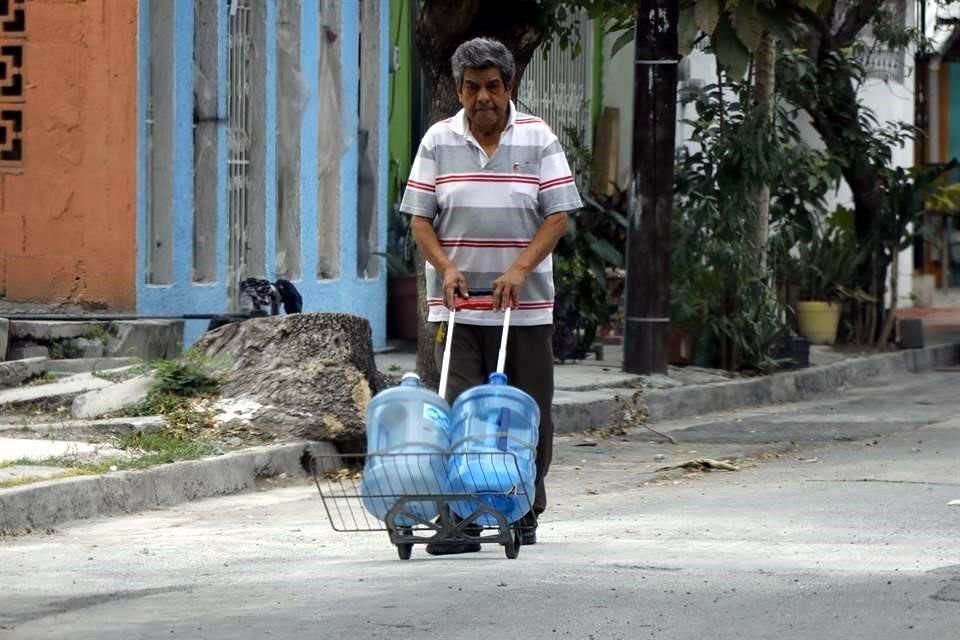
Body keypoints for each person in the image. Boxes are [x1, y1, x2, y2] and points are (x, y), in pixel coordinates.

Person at [398, 37, 583, 554]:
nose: (484, 98)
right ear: (459, 89)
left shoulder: (538, 137)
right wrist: (446, 267)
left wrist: (520, 269)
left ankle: (524, 507)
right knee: (460, 410)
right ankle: (463, 518)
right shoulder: (438, 140)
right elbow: (420, 219)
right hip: (457, 305)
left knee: (529, 410)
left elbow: (559, 214)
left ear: (510, 87)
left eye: (494, 87)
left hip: (525, 306)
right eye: (473, 87)